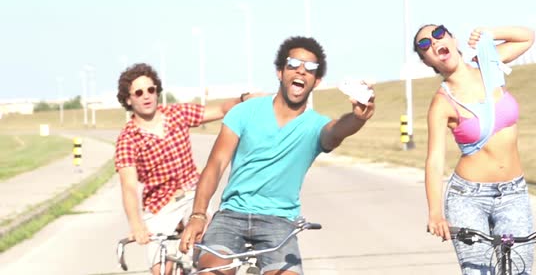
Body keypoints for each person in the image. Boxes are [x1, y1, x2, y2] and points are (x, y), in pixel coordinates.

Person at [178, 36, 376, 275]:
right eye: (293, 64)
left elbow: (337, 130)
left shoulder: (315, 125)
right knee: (211, 272)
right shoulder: (245, 112)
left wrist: (358, 118)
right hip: (231, 216)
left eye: (310, 68)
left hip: (278, 222)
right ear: (280, 72)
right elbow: (216, 165)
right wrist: (198, 215)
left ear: (317, 81)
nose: (301, 71)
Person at [415, 24, 536, 274]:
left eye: (438, 34)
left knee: (519, 269)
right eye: (424, 44)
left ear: (451, 38)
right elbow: (435, 160)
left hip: (514, 192)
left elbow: (527, 38)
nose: (434, 42)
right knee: (479, 272)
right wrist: (435, 213)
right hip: (468, 198)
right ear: (427, 61)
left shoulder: (488, 65)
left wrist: (491, 34)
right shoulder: (442, 103)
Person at [114, 62, 254, 275]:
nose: (146, 96)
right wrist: (136, 225)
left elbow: (219, 110)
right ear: (128, 99)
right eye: (139, 92)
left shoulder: (176, 114)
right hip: (160, 206)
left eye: (151, 90)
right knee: (162, 268)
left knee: (207, 246)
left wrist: (244, 100)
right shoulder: (128, 138)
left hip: (191, 196)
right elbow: (129, 187)